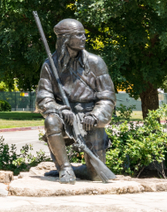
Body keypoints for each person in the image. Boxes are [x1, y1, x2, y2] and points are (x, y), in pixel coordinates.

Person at [35, 18, 116, 184]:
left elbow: (107, 97)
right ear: (66, 39)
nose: (84, 38)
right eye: (79, 35)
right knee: (51, 120)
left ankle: (83, 170)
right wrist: (59, 109)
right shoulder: (50, 65)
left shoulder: (96, 63)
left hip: (89, 118)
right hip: (65, 117)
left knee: (95, 176)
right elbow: (43, 98)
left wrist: (95, 116)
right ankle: (64, 168)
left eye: (83, 34)